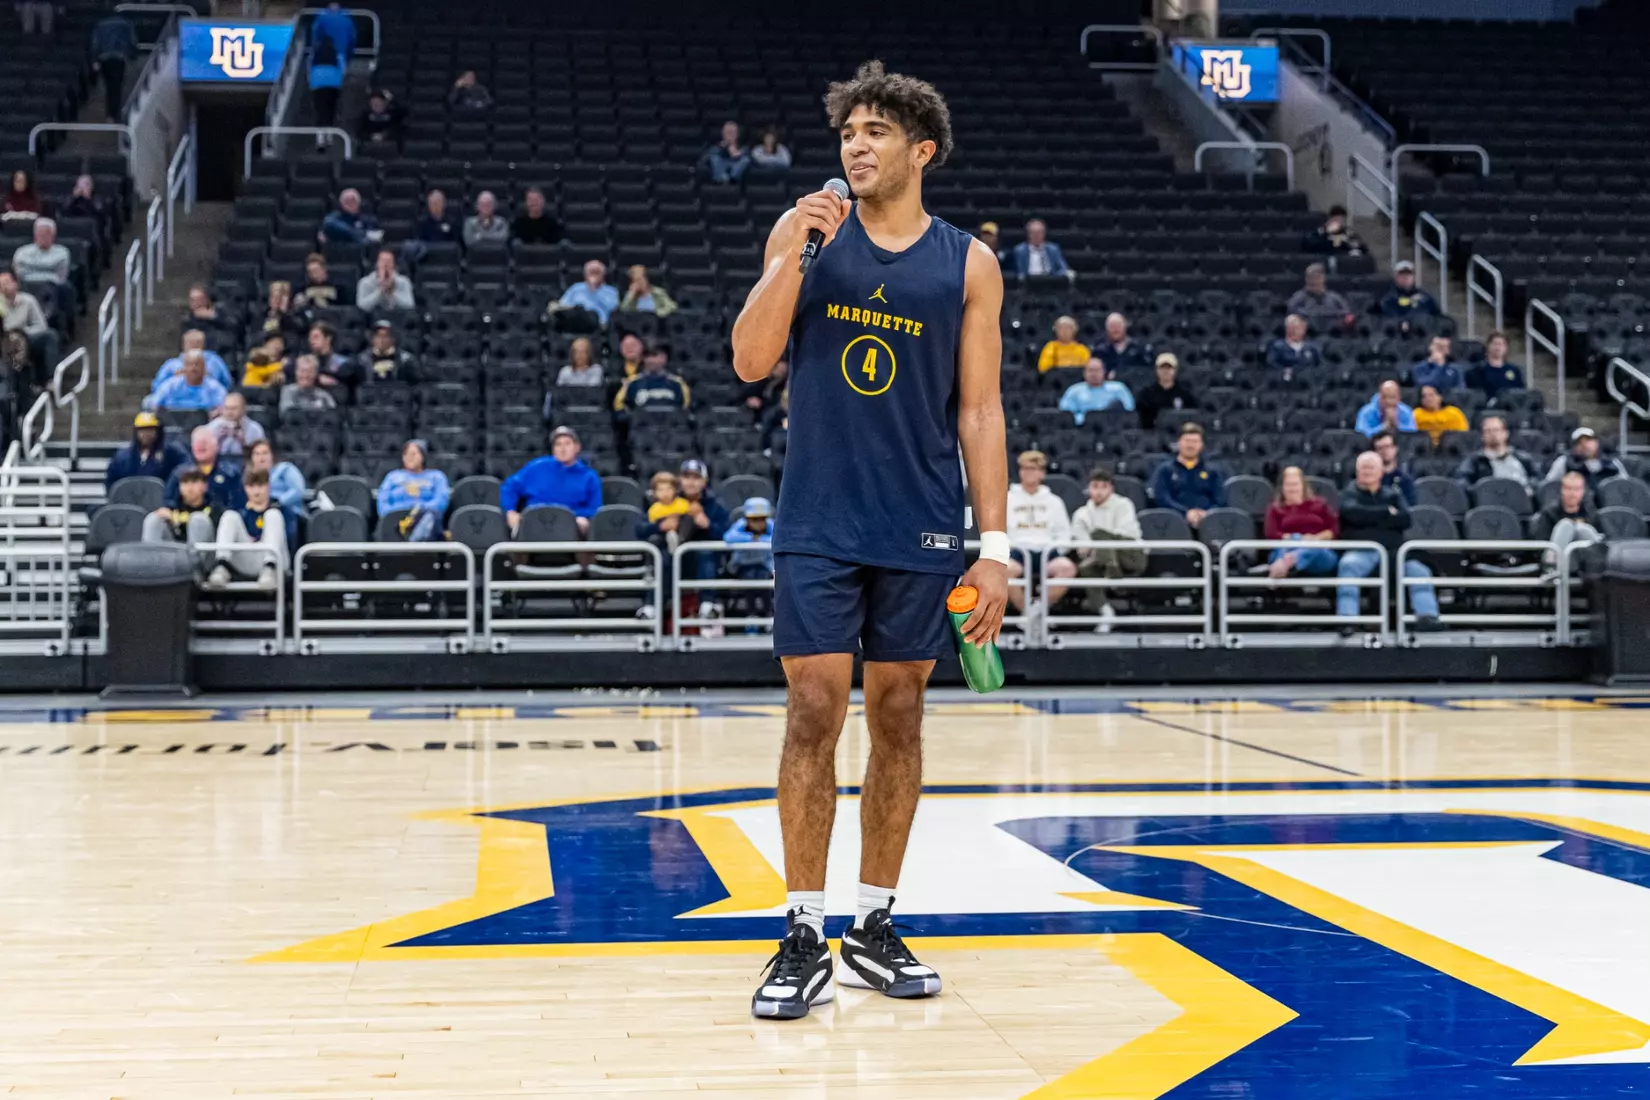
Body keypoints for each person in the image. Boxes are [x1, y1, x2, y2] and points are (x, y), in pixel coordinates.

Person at [729, 60, 1006, 1019]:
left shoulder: (968, 263)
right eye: (849, 130)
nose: (857, 144)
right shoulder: (806, 231)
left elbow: (979, 412)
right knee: (813, 709)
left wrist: (996, 546)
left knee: (899, 719)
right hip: (817, 517)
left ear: (920, 151)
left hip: (922, 523)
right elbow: (751, 359)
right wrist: (794, 255)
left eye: (878, 131)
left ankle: (874, 922)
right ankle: (800, 931)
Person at [1337, 451, 1443, 631]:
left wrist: (1368, 516)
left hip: (1394, 551)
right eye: (1363, 467)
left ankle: (1427, 616)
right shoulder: (1348, 493)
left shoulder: (1393, 494)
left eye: (1371, 467)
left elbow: (1405, 519)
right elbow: (1351, 514)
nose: (1367, 471)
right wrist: (1386, 512)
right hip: (1362, 550)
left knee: (1419, 571)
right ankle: (1347, 619)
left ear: (1381, 472)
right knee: (1348, 565)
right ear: (1357, 471)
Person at [1070, 468, 1144, 623]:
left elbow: (1128, 534)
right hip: (1098, 558)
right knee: (1085, 567)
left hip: (1130, 555)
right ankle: (1105, 612)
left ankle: (1112, 568)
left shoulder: (1124, 505)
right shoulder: (1081, 514)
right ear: (1089, 488)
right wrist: (1102, 551)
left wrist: (1102, 544)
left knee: (1098, 534)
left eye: (1104, 487)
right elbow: (1083, 548)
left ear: (1111, 488)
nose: (1099, 491)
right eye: (1095, 486)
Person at [500, 426, 603, 535]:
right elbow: (509, 487)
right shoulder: (537, 467)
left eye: (567, 443)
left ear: (577, 447)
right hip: (535, 520)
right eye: (558, 444)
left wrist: (568, 515)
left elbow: (594, 509)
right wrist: (510, 511)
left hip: (571, 522)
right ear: (553, 449)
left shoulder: (589, 476)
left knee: (583, 523)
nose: (562, 448)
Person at [1005, 450, 1074, 612]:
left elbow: (1065, 533)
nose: (1029, 473)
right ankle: (1026, 612)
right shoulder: (1007, 499)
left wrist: (1056, 548)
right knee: (1003, 571)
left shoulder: (1054, 501)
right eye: (1025, 468)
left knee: (1067, 568)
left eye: (1033, 469)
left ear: (1042, 473)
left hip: (1047, 552)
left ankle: (1040, 610)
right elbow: (999, 530)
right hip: (1017, 551)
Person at [206, 468, 285, 591]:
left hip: (278, 559)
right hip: (248, 558)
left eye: (260, 485)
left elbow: (291, 539)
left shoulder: (283, 508)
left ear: (268, 486)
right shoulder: (241, 513)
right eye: (251, 486)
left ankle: (270, 568)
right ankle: (221, 566)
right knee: (229, 516)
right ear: (245, 488)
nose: (256, 491)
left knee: (273, 515)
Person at [1265, 466, 1339, 580]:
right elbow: (1271, 534)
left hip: (1319, 554)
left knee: (1313, 546)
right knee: (1295, 538)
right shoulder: (1275, 508)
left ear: (1303, 485)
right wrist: (1298, 539)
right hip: (1285, 549)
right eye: (1288, 484)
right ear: (1282, 487)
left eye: (1295, 484)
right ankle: (1289, 561)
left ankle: (1288, 562)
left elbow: (1334, 530)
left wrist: (1315, 538)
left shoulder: (1320, 504)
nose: (1292, 488)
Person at [1149, 423, 1225, 528]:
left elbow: (1220, 499)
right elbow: (1162, 497)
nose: (1190, 445)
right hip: (1172, 523)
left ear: (1201, 445)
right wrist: (1186, 513)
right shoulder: (1165, 470)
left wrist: (1205, 514)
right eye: (1187, 441)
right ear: (1179, 442)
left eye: (1195, 441)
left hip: (1208, 523)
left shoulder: (1213, 471)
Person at [377, 439, 450, 541]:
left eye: (413, 454)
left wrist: (418, 510)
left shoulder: (436, 476)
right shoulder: (392, 477)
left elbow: (440, 502)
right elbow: (382, 505)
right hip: (394, 523)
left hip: (427, 521)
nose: (408, 457)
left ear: (423, 456)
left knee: (430, 517)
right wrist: (401, 513)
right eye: (405, 454)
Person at [163, 427, 243, 514]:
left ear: (216, 445)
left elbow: (237, 503)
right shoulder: (179, 473)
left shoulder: (230, 473)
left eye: (204, 442)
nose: (201, 446)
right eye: (197, 443)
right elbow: (168, 501)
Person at [1452, 414, 1541, 491]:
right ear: (1482, 436)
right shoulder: (1474, 460)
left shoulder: (1523, 458)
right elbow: (1462, 481)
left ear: (1505, 433)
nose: (1493, 434)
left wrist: (1530, 488)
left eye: (1496, 430)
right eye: (1488, 431)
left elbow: (1538, 479)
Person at [106, 411, 188, 489]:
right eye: (142, 430)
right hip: (130, 500)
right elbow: (111, 483)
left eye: (150, 429)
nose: (146, 434)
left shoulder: (170, 452)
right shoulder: (123, 458)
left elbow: (185, 467)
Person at [12, 218, 73, 320]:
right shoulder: (22, 252)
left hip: (55, 288)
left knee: (67, 288)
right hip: (26, 286)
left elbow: (61, 276)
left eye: (47, 234)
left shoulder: (62, 252)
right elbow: (20, 273)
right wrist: (49, 272)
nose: (43, 237)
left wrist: (33, 269)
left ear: (53, 236)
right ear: (35, 235)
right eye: (40, 234)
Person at [245, 438, 303, 546]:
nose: (261, 458)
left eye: (265, 453)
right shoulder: (249, 478)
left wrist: (277, 502)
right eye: (256, 454)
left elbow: (298, 490)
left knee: (272, 515)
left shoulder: (285, 469)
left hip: (288, 515)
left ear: (272, 455)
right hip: (256, 513)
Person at [142, 466, 217, 549]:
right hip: (177, 555)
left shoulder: (215, 508)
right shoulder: (173, 509)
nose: (190, 487)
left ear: (205, 486)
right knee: (154, 518)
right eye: (185, 482)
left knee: (198, 519)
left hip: (208, 554)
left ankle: (194, 561)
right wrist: (171, 522)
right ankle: (150, 559)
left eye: (194, 481)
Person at [0, 270, 55, 380]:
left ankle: (50, 379)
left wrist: (24, 333)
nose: (3, 287)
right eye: (0, 285)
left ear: (16, 284)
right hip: (4, 340)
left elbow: (41, 326)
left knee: (50, 335)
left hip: (26, 337)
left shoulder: (28, 300)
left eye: (6, 283)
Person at [1533, 470, 1601, 553]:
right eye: (1568, 488)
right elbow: (1541, 545)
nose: (1572, 493)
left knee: (1583, 529)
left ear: (1583, 491)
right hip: (1555, 558)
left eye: (1577, 489)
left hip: (1584, 558)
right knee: (1565, 525)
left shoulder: (1591, 514)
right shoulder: (1549, 514)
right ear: (1562, 489)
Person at [90, 10, 139, 120]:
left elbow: (95, 43)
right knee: (116, 86)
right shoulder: (126, 23)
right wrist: (133, 54)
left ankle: (111, 113)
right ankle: (113, 113)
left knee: (110, 86)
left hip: (105, 58)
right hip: (119, 57)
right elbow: (133, 40)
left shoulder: (100, 24)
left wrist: (94, 59)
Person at [1545, 426, 1625, 491]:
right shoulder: (1564, 462)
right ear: (1574, 447)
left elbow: (1625, 487)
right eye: (1579, 443)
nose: (1585, 445)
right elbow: (1549, 486)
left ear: (1596, 442)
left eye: (1588, 440)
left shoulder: (1612, 463)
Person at [615, 342, 690, 411]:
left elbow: (685, 410)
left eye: (654, 355)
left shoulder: (677, 383)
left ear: (664, 358)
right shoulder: (632, 382)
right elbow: (619, 407)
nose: (650, 360)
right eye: (647, 356)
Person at [153, 330, 233, 393]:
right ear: (183, 344)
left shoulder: (214, 361)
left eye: (198, 342)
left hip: (208, 400)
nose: (194, 345)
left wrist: (208, 378)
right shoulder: (171, 365)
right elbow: (157, 386)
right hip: (177, 401)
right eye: (190, 342)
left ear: (203, 344)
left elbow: (227, 384)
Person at [1058, 358, 1134, 423]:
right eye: (1090, 370)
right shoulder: (1074, 391)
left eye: (1097, 370)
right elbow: (1066, 414)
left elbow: (1129, 410)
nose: (1094, 374)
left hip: (1113, 427)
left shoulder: (1118, 388)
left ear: (1104, 372)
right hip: (1084, 429)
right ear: (1084, 373)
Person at [1134, 352, 1197, 430]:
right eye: (1162, 368)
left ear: (1175, 370)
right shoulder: (1146, 394)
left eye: (1169, 368)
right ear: (1156, 370)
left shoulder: (1185, 394)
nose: (1165, 371)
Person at [149, 352, 228, 413]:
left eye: (197, 364)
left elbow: (223, 407)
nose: (193, 368)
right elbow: (155, 404)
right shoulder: (171, 386)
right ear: (183, 368)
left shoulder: (215, 388)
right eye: (190, 364)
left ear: (204, 368)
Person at [1286, 263, 1352, 330]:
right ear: (1306, 280)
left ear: (1323, 279)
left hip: (1333, 335)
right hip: (1307, 335)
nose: (1313, 281)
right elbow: (1290, 313)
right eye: (1310, 278)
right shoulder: (1298, 298)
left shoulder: (1335, 298)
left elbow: (1347, 314)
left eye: (1316, 278)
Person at [553, 260, 620, 325]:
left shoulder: (611, 291)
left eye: (597, 272)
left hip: (601, 325)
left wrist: (594, 290)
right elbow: (563, 305)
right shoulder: (576, 288)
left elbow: (613, 309)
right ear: (585, 274)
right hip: (577, 324)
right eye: (591, 272)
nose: (594, 275)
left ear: (603, 274)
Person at [206, 392, 266, 458]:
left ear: (243, 409)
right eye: (227, 408)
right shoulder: (213, 427)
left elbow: (261, 453)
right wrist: (218, 440)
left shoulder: (255, 429)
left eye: (233, 408)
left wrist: (243, 442)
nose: (229, 412)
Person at [1469, 331, 1526, 398]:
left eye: (1501, 344)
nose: (1498, 347)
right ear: (1488, 346)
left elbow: (1521, 392)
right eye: (1495, 344)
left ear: (1506, 348)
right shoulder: (1477, 371)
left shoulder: (1515, 371)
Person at [1264, 314, 1322, 380]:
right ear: (1287, 328)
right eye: (1291, 327)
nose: (1294, 331)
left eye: (1298, 327)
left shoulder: (1312, 348)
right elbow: (1271, 366)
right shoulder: (1277, 347)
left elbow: (1318, 366)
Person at [307, 32, 345, 131]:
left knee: (319, 110)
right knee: (330, 109)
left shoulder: (314, 54)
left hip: (317, 85)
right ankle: (329, 134)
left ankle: (320, 137)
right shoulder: (337, 53)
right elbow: (342, 69)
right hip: (333, 85)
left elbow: (309, 68)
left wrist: (311, 82)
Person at [1370, 429, 1418, 505]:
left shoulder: (1405, 480)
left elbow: (1411, 506)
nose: (1384, 451)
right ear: (1374, 452)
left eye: (1387, 446)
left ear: (1395, 448)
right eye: (1379, 448)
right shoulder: (1369, 479)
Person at [306, 323, 355, 391]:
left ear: (328, 339)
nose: (311, 341)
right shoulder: (307, 362)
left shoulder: (342, 363)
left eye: (316, 337)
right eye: (310, 337)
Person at [311, 2, 357, 66]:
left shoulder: (320, 19)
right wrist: (349, 56)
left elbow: (315, 37)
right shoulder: (348, 21)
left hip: (322, 55)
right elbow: (352, 39)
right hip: (341, 53)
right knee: (339, 74)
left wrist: (314, 52)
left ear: (328, 9)